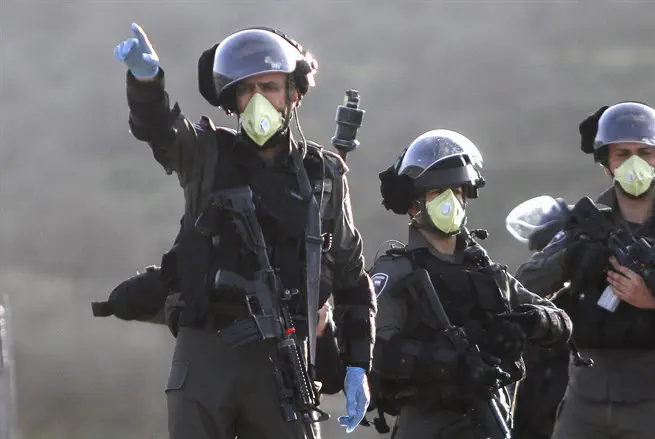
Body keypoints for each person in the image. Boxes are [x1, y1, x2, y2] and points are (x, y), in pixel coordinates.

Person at [112, 22, 376, 438]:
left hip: (285, 358)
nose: (258, 101)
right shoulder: (207, 154)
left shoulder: (323, 175)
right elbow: (161, 130)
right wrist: (147, 83)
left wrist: (358, 365)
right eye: (245, 90)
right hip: (206, 352)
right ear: (232, 100)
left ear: (293, 92)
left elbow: (350, 278)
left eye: (268, 87)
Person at [516, 102, 655, 439]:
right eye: (622, 153)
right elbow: (522, 289)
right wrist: (571, 259)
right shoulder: (582, 227)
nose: (634, 163)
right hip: (584, 401)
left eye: (644, 152)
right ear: (606, 162)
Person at [368, 129, 572, 438]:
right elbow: (379, 351)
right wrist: (452, 365)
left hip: (493, 416)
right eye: (437, 193)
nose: (450, 201)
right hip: (428, 424)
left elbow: (560, 322)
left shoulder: (486, 272)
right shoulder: (396, 272)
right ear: (414, 204)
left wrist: (534, 321)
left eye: (457, 190)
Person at [91, 266, 346, 395]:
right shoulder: (204, 273)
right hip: (220, 391)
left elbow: (332, 380)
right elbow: (127, 300)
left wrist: (321, 329)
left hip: (276, 398)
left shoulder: (307, 287)